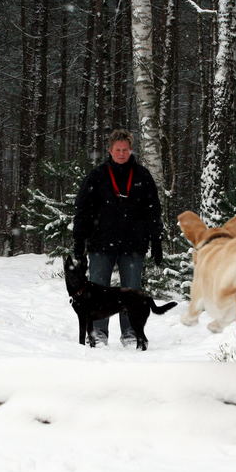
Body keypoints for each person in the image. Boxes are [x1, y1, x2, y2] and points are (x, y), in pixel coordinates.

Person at [73, 129, 164, 346]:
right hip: (101, 243)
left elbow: (153, 210)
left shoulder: (142, 175)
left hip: (133, 244)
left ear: (131, 150)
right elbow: (83, 210)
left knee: (131, 290)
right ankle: (97, 332)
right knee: (97, 289)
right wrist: (79, 241)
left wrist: (156, 240)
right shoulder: (98, 175)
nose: (121, 154)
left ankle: (130, 332)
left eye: (125, 149)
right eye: (117, 150)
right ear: (110, 150)